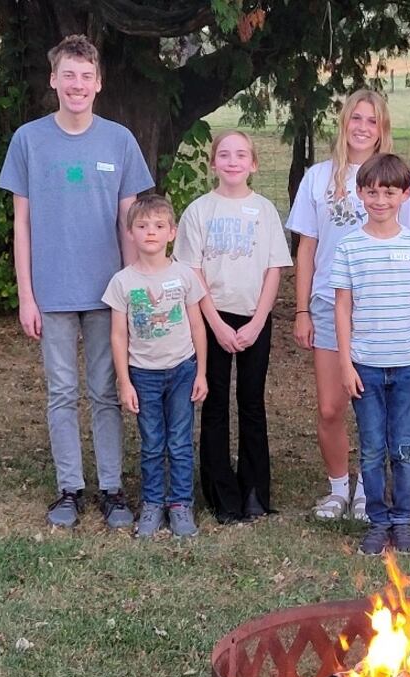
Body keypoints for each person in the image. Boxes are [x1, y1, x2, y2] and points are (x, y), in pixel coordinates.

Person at [0, 34, 154, 528]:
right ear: (53, 79)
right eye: (68, 75)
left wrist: (133, 289)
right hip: (52, 292)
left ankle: (111, 488)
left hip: (108, 292)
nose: (77, 84)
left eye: (86, 76)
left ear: (99, 83)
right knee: (62, 392)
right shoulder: (29, 139)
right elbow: (21, 224)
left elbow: (129, 223)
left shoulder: (119, 140)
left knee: (107, 391)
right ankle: (70, 488)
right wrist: (26, 294)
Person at [286, 89, 410, 522]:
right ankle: (338, 489)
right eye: (356, 118)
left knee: (381, 412)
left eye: (372, 120)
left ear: (382, 126)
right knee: (331, 406)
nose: (362, 127)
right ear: (344, 123)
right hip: (332, 307)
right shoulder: (318, 178)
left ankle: (371, 494)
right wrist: (301, 310)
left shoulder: (400, 178)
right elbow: (306, 249)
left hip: (386, 312)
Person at [174, 130, 292, 523]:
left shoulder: (265, 211)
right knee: (215, 403)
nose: (233, 161)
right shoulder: (199, 211)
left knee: (252, 403)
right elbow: (191, 270)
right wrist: (216, 325)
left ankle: (254, 490)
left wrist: (258, 321)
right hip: (211, 317)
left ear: (254, 164)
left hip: (253, 317)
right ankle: (221, 495)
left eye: (241, 155)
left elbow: (275, 268)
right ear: (213, 163)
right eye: (224, 154)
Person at [330, 153, 410, 555]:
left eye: (389, 193)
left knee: (404, 447)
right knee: (373, 448)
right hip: (366, 367)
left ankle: (403, 520)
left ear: (406, 195)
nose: (379, 200)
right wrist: (345, 363)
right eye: (372, 192)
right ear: (359, 194)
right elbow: (342, 306)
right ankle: (377, 521)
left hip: (408, 364)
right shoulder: (349, 247)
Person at [102, 196, 207, 537]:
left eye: (159, 226)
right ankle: (151, 504)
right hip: (143, 374)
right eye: (143, 226)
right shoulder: (122, 282)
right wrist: (124, 382)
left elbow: (197, 326)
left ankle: (179, 504)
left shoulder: (184, 276)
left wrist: (201, 372)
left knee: (178, 441)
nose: (151, 233)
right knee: (151, 443)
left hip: (182, 370)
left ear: (172, 233)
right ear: (130, 233)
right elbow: (118, 336)